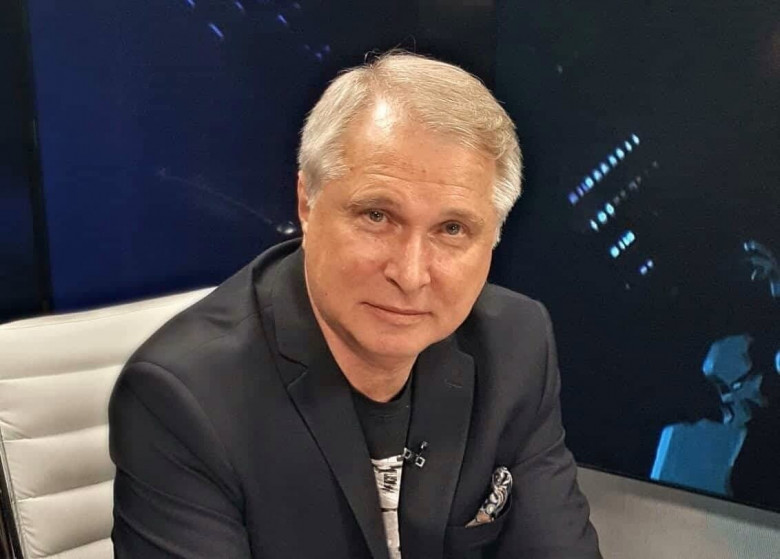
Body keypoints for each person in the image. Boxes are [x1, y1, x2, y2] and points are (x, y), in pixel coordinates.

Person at [109, 51, 601, 558]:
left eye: (452, 229)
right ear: (307, 203)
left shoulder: (516, 343)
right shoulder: (183, 400)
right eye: (376, 216)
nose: (410, 274)